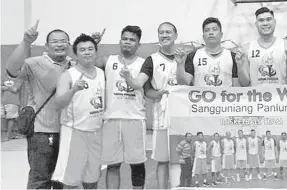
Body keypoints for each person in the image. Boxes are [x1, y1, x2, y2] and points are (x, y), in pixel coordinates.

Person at [5, 20, 75, 189]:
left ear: (69, 44)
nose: (59, 44)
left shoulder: (74, 64)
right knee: (40, 179)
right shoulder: (33, 63)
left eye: (63, 41)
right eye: (55, 41)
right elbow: (11, 69)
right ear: (46, 46)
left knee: (62, 179)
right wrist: (26, 42)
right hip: (42, 132)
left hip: (68, 131)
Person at [120, 22, 180, 189]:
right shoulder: (152, 60)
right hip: (163, 117)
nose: (164, 35)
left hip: (184, 117)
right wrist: (129, 79)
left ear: (176, 35)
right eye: (161, 32)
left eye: (168, 32)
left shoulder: (185, 57)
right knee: (163, 160)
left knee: (182, 160)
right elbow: (144, 88)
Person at [95, 25, 147, 189]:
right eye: (125, 39)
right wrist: (94, 44)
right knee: (113, 164)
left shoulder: (145, 64)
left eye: (132, 40)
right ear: (119, 41)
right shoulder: (107, 61)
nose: (127, 42)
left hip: (135, 119)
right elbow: (86, 63)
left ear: (138, 44)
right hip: (111, 119)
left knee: (137, 164)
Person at [51, 34, 105, 189]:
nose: (87, 52)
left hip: (96, 132)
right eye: (82, 50)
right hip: (75, 132)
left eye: (90, 49)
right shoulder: (68, 75)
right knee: (71, 180)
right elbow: (59, 103)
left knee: (92, 178)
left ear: (96, 51)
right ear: (75, 54)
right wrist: (73, 89)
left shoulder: (100, 73)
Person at [176, 17, 249, 87]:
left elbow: (240, 86)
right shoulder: (193, 56)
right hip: (200, 99)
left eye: (214, 29)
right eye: (207, 30)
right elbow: (183, 84)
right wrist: (180, 65)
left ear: (221, 35)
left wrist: (241, 66)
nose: (211, 32)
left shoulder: (233, 57)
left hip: (224, 98)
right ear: (203, 36)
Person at [242, 7, 287, 86]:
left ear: (274, 22)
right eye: (261, 20)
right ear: (256, 24)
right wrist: (240, 65)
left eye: (268, 19)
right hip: (257, 96)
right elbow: (244, 83)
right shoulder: (247, 48)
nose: (265, 23)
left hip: (281, 96)